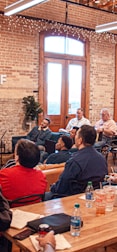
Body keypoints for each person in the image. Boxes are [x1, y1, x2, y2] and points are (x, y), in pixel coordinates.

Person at [44, 125, 108, 201]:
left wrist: (53, 187)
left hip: (71, 199)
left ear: (80, 140)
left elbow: (61, 187)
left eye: (76, 134)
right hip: (94, 197)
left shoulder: (75, 161)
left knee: (42, 196)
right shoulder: (102, 158)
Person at [0, 139, 47, 206]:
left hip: (11, 213)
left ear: (17, 157)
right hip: (35, 212)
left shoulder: (4, 174)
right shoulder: (41, 176)